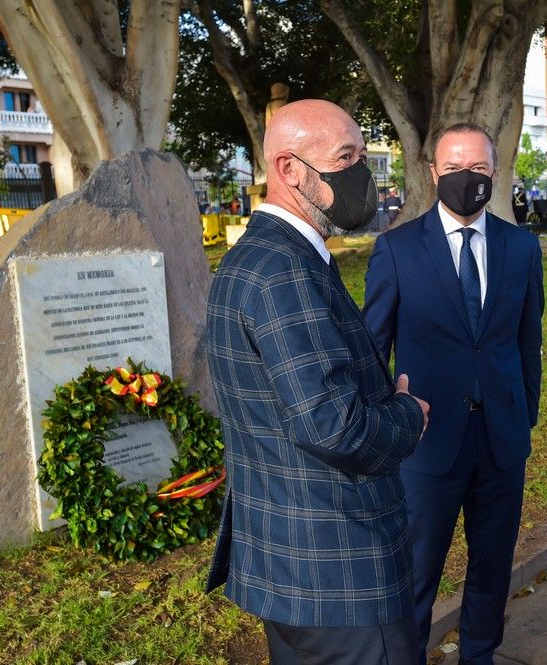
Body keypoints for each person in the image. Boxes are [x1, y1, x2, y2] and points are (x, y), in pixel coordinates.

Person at [205, 99, 430, 664]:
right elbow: (335, 427)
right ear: (289, 170)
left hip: (298, 569)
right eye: (346, 157)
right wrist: (409, 416)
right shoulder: (282, 271)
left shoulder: (271, 259)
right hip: (339, 574)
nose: (363, 176)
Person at [363, 123, 544, 665]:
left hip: (501, 442)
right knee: (416, 574)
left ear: (495, 172)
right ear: (433, 173)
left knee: (492, 568)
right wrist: (382, 429)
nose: (467, 179)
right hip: (425, 445)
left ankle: (480, 655)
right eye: (455, 169)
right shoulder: (396, 249)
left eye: (479, 170)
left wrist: (523, 417)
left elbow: (527, 340)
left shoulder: (521, 247)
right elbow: (374, 348)